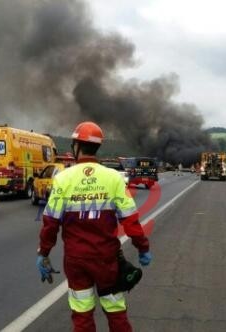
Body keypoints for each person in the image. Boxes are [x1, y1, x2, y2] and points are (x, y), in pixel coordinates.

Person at [36, 121, 151, 332]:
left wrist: (44, 253)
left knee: (82, 314)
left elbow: (50, 223)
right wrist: (142, 248)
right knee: (116, 311)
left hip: (76, 260)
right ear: (97, 147)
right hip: (107, 259)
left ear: (76, 146)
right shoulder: (113, 178)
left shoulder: (63, 179)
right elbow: (131, 220)